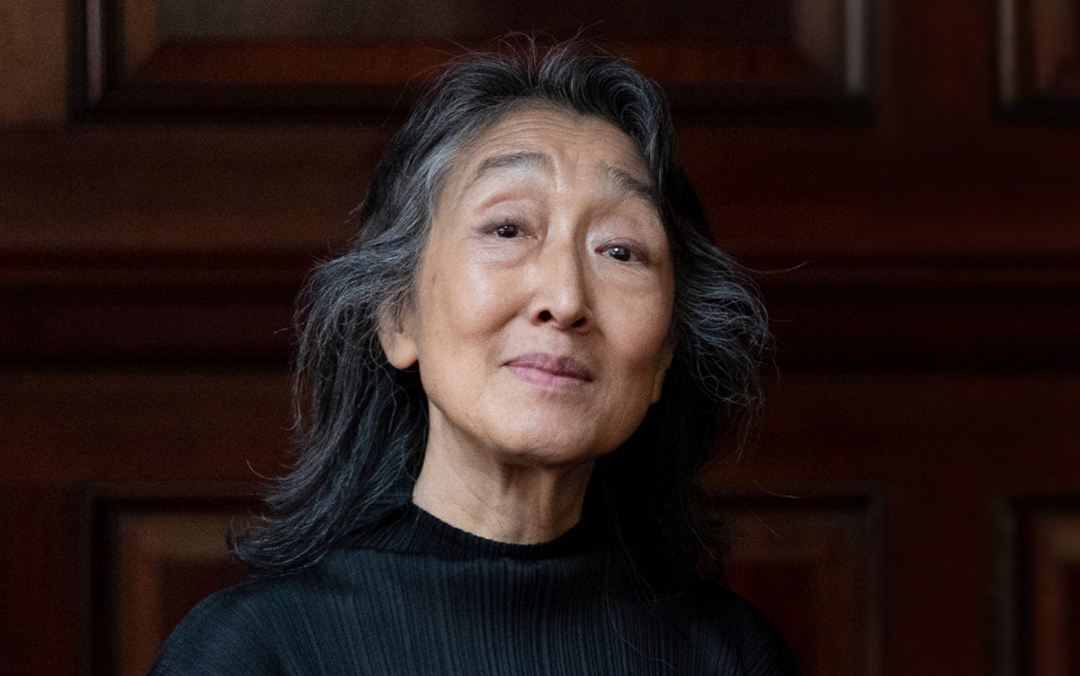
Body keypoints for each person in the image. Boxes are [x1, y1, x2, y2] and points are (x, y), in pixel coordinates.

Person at [148, 38, 796, 676]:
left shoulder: (729, 656)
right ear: (400, 315)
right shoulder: (256, 650)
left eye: (620, 250)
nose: (566, 299)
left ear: (662, 359)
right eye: (508, 229)